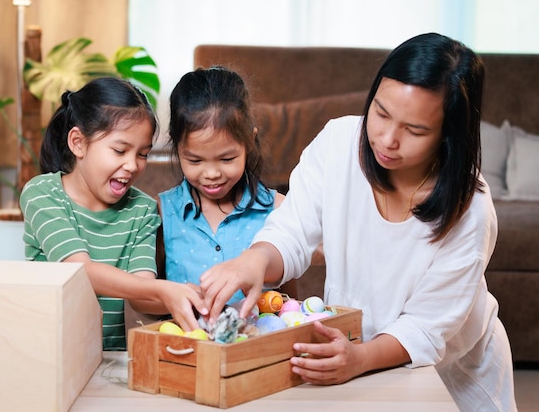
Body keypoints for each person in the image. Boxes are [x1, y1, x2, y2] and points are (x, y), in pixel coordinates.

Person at [199, 33, 516, 412]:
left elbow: (424, 328)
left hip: (453, 376)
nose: (387, 139)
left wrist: (361, 359)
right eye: (380, 113)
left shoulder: (471, 209)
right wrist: (254, 260)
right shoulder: (339, 143)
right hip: (351, 356)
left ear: (449, 136)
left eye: (414, 130)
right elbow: (292, 231)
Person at [20, 77, 206, 351]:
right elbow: (79, 270)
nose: (132, 165)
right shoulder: (43, 194)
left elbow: (141, 290)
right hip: (46, 353)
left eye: (142, 154)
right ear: (78, 143)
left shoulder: (141, 210)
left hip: (109, 359)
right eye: (120, 150)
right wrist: (164, 291)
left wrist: (192, 296)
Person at [158, 66, 292, 306]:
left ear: (249, 142)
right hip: (187, 343)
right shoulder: (162, 212)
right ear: (177, 147)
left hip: (258, 342)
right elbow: (149, 299)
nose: (211, 174)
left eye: (227, 159)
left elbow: (288, 297)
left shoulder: (278, 208)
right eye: (195, 160)